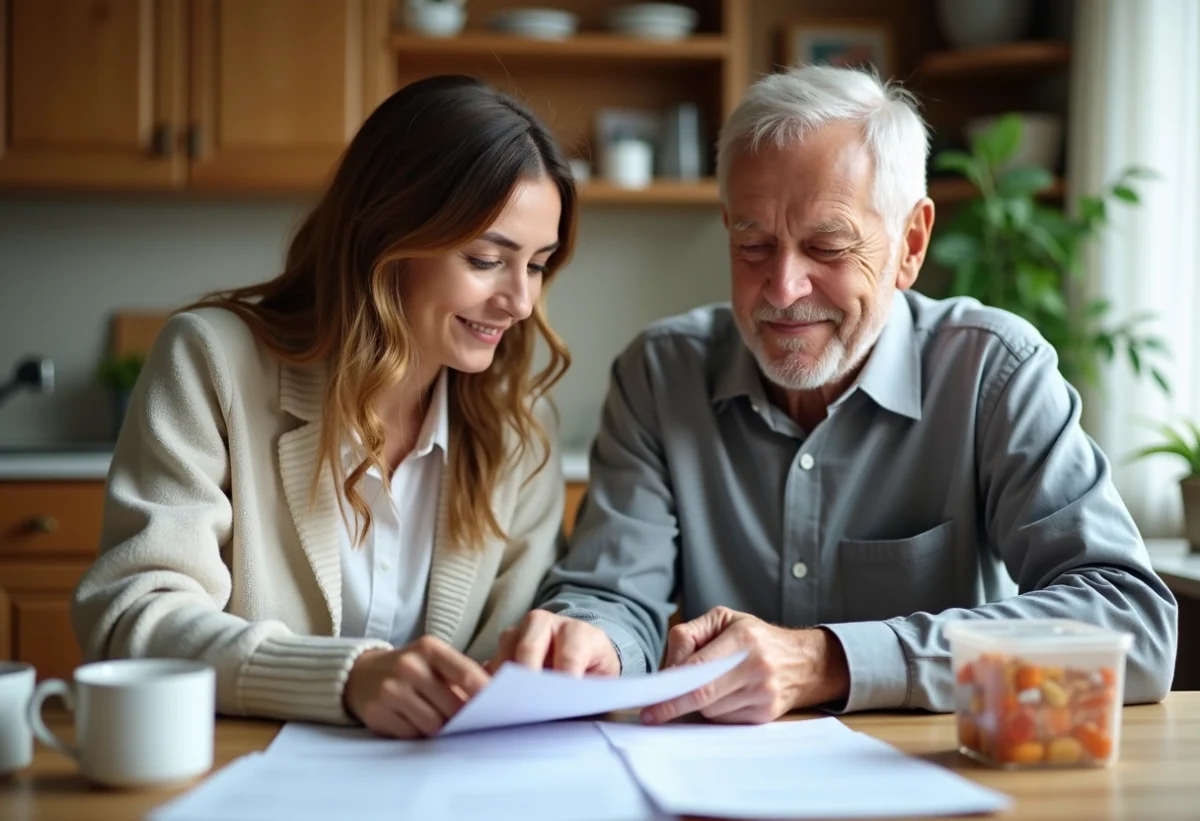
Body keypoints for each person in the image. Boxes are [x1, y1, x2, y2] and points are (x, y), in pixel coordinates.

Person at [491, 65, 1178, 722]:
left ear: (910, 244)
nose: (784, 289)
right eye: (753, 246)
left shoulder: (994, 373)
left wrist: (830, 659)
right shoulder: (660, 374)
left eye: (827, 247)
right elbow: (613, 594)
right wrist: (594, 643)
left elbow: (1130, 621)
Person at [73, 75, 577, 739]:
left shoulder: (519, 424)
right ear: (387, 234)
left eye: (538, 265)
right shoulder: (212, 361)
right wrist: (350, 675)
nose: (520, 300)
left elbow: (526, 642)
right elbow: (130, 614)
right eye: (487, 258)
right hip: (245, 772)